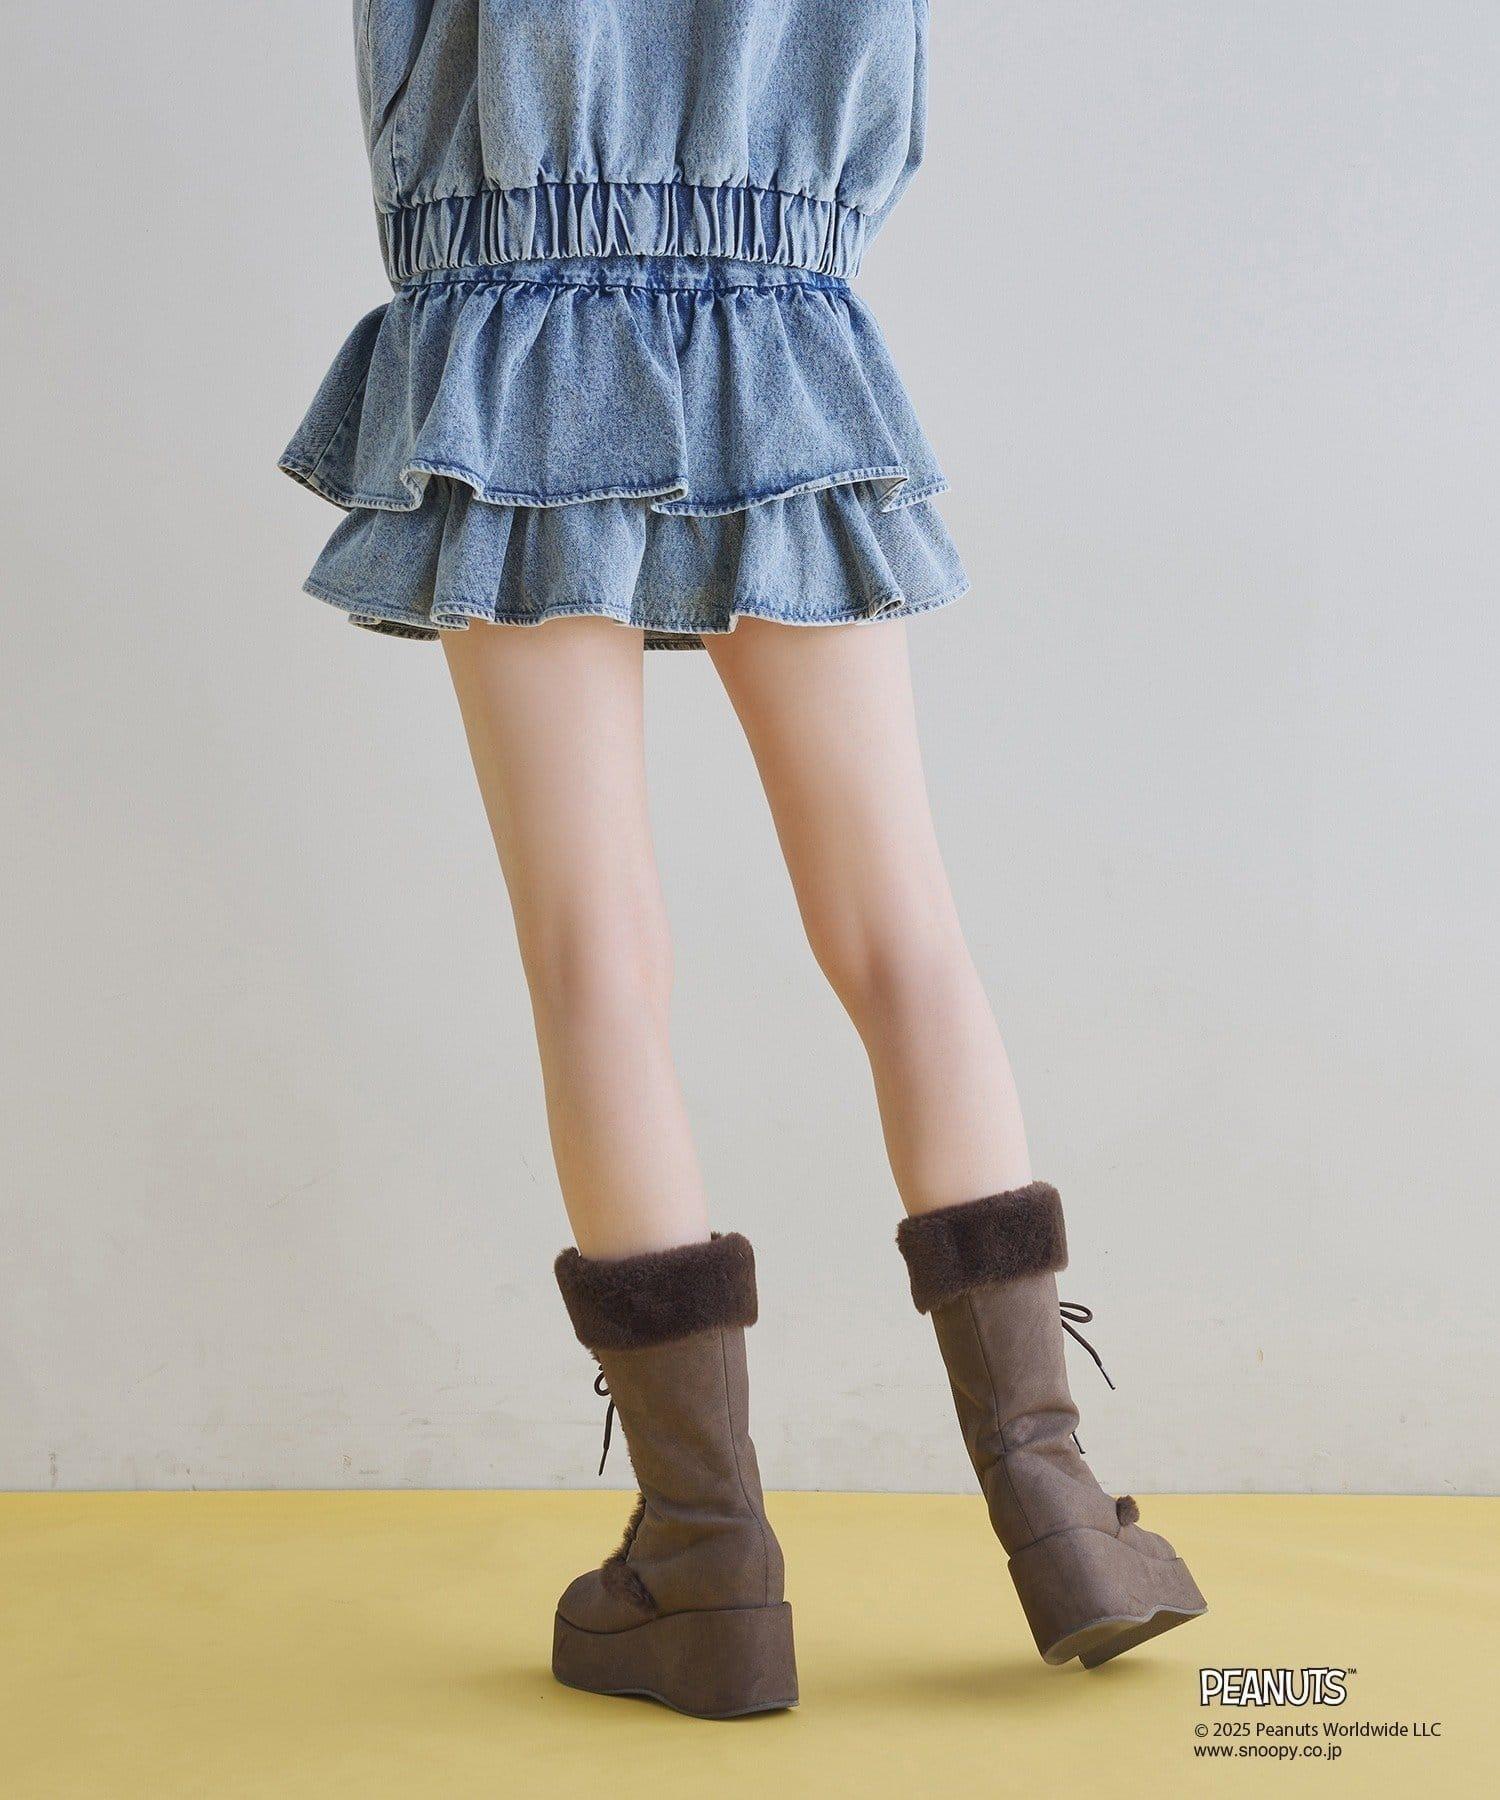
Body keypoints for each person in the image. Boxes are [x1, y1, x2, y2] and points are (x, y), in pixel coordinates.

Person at [281, 1, 1204, 1719]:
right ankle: (1060, 1504)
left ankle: (705, 1559)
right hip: (781, 325)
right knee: (904, 937)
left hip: (510, 335)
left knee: (595, 957)